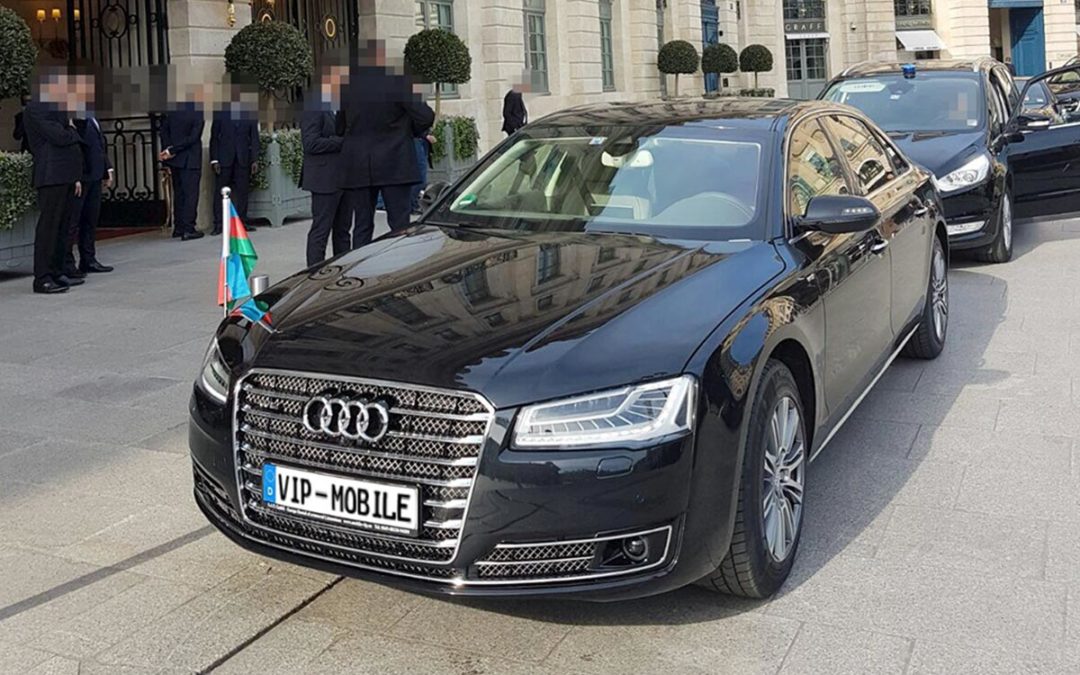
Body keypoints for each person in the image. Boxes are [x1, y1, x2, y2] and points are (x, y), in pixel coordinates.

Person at [338, 41, 435, 240]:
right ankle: (398, 265)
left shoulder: (348, 87)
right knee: (399, 224)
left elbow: (339, 126)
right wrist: (411, 131)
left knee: (362, 225)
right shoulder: (398, 82)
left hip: (359, 163)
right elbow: (425, 116)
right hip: (395, 160)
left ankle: (361, 268)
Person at [22, 70, 86, 294]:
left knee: (62, 227)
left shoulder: (58, 108)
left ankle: (58, 271)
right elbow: (59, 136)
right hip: (51, 175)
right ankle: (42, 277)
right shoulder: (36, 108)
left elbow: (72, 131)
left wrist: (70, 131)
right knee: (49, 227)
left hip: (66, 174)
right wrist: (70, 132)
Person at [301, 65, 350, 266]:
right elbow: (310, 143)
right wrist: (341, 141)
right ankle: (313, 272)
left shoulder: (344, 105)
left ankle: (343, 270)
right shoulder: (314, 106)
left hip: (345, 177)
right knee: (321, 230)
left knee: (343, 231)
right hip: (323, 179)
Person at [66, 73, 115, 277]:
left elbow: (99, 145)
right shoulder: (75, 117)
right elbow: (76, 147)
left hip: (95, 174)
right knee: (73, 222)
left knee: (90, 220)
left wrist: (107, 168)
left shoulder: (91, 115)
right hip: (82, 176)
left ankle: (89, 259)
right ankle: (68, 262)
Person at [209, 85, 260, 236]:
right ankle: (218, 224)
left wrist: (254, 159)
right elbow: (214, 137)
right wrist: (214, 159)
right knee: (220, 192)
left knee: (243, 192)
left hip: (243, 159)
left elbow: (254, 138)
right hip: (224, 159)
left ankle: (242, 222)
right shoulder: (220, 113)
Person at [160, 84, 206, 241]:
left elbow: (163, 132)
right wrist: (174, 150)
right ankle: (188, 228)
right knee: (190, 195)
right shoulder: (197, 112)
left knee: (179, 194)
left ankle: (178, 227)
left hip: (175, 161)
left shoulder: (172, 112)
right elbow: (194, 137)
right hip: (190, 160)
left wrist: (169, 150)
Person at [411, 130, 436, 214]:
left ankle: (413, 204)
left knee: (420, 175)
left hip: (421, 139)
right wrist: (426, 135)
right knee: (420, 176)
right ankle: (413, 205)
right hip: (417, 138)